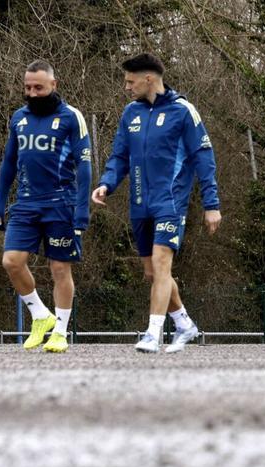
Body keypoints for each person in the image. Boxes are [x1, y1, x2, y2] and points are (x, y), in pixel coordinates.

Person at [93, 53, 221, 354]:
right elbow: (120, 156)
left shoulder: (183, 111)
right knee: (152, 274)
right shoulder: (130, 114)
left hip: (171, 203)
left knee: (163, 266)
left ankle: (153, 333)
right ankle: (185, 324)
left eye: (130, 80)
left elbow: (204, 157)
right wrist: (106, 183)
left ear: (148, 78)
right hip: (140, 205)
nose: (126, 87)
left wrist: (211, 204)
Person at [0, 59, 91, 353]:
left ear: (53, 85)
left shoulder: (71, 117)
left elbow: (84, 167)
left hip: (61, 203)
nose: (32, 93)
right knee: (11, 261)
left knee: (60, 267)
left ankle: (60, 331)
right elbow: (9, 163)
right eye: (27, 87)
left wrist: (82, 210)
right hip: (25, 204)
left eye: (38, 87)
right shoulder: (18, 118)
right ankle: (40, 315)